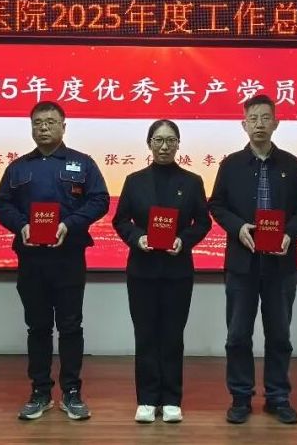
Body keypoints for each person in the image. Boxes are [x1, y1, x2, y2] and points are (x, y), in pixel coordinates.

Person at [0, 101, 109, 421]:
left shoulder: (82, 163)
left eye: (51, 122)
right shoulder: (18, 167)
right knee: (38, 326)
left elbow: (100, 200)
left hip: (69, 257)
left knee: (70, 326)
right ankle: (40, 391)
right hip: (31, 258)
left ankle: (71, 392)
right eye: (38, 122)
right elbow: (1, 204)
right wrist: (21, 225)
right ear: (31, 127)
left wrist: (69, 224)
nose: (43, 127)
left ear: (63, 126)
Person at [209, 94, 297, 425]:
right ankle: (241, 397)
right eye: (253, 118)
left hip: (281, 264)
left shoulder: (291, 165)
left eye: (265, 118)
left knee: (279, 335)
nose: (259, 124)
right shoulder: (230, 165)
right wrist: (238, 227)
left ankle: (278, 397)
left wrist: (290, 233)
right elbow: (216, 205)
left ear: (276, 123)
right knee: (238, 335)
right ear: (243, 124)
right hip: (242, 264)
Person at [112, 119, 212, 424]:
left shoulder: (192, 182)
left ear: (178, 144)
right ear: (149, 144)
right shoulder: (134, 181)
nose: (164, 146)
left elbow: (203, 222)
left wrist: (184, 240)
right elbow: (121, 220)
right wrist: (137, 238)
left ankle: (171, 399)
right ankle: (146, 399)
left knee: (172, 335)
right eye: (158, 140)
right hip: (141, 271)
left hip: (177, 272)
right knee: (145, 335)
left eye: (170, 140)